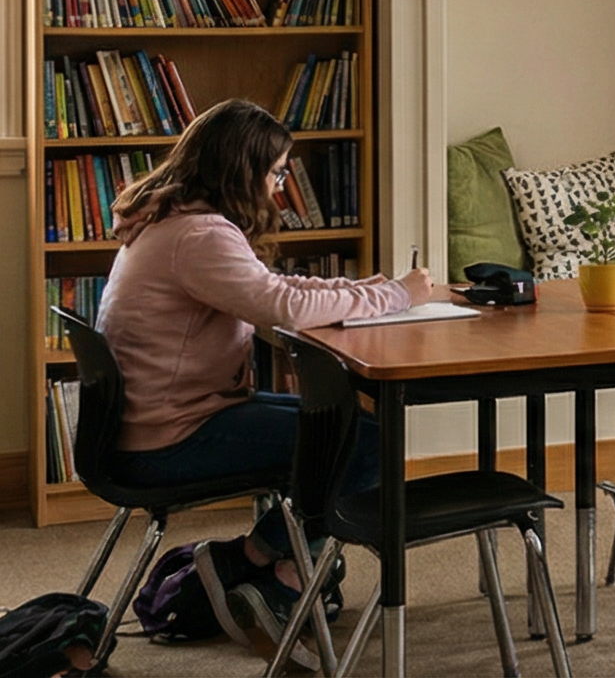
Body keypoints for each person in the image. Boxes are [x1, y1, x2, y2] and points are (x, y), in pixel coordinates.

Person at [97, 99, 435, 649]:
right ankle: (281, 576)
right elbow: (280, 305)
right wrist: (395, 294)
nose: (280, 187)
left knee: (340, 425)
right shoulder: (199, 236)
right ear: (241, 169)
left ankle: (250, 559)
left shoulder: (170, 219)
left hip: (162, 418)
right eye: (276, 172)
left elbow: (274, 287)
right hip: (170, 436)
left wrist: (366, 292)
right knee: (364, 443)